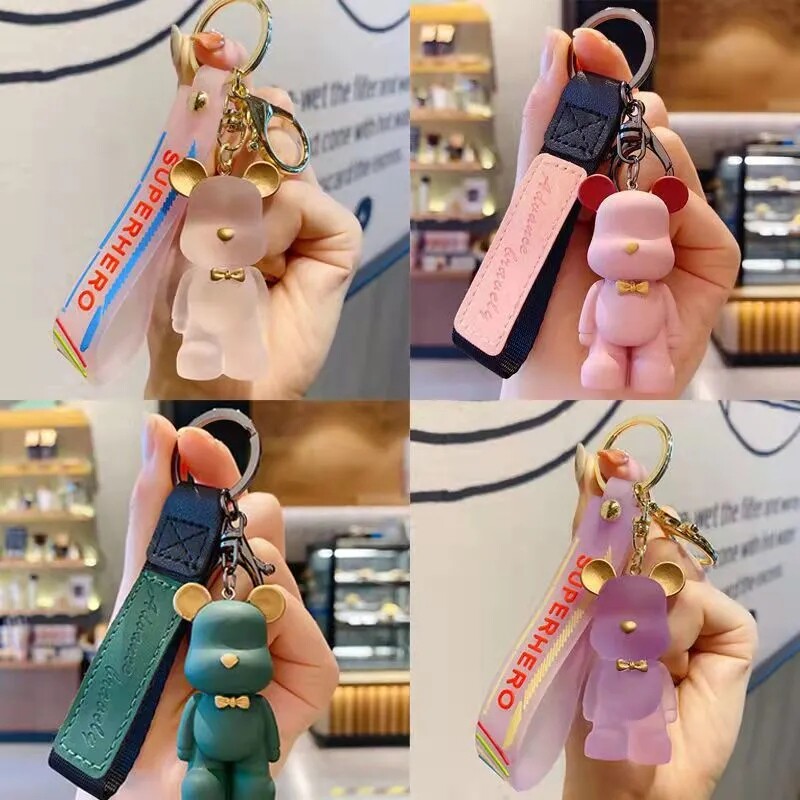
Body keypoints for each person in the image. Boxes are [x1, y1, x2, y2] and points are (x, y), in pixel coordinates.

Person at [76, 415, 339, 799]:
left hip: (249, 762)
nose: (230, 658)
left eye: (242, 647)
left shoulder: (253, 704)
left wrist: (266, 752)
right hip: (202, 763)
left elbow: (267, 736)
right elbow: (186, 740)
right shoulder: (199, 703)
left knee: (254, 784)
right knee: (200, 782)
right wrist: (155, 779)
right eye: (216, 646)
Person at [501, 27, 741, 400]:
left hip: (652, 343)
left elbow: (669, 319)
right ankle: (604, 361)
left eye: (646, 237)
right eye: (617, 235)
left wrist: (671, 336)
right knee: (602, 357)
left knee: (653, 360)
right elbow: (588, 314)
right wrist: (581, 340)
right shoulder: (600, 288)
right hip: (602, 343)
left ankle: (651, 366)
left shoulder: (659, 292)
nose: (631, 245)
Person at [145, 33, 363, 401]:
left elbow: (257, 304)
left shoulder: (251, 276)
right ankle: (200, 355)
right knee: (200, 344)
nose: (225, 231)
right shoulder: (195, 275)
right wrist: (179, 327)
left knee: (244, 342)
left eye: (241, 220)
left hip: (243, 335)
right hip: (198, 340)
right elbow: (181, 309)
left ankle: (241, 355)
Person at [565, 447, 758, 800]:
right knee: (607, 729)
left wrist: (668, 712)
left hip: (651, 726)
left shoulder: (655, 670)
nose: (628, 626)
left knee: (650, 732)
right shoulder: (603, 668)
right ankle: (609, 737)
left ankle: (648, 740)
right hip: (607, 725)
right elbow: (593, 700)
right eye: (617, 617)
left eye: (643, 617)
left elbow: (666, 702)